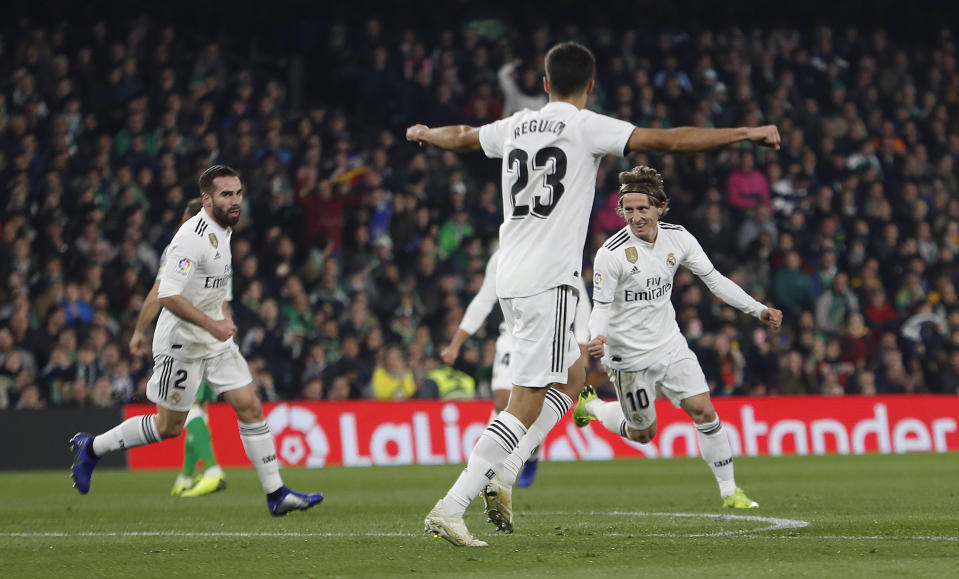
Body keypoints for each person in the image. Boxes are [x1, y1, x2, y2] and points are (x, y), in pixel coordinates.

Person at [407, 41, 780, 546]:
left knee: (574, 379)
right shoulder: (585, 126)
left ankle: (508, 470)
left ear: (543, 84)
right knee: (525, 401)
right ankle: (452, 505)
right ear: (591, 85)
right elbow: (667, 141)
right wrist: (744, 133)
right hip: (550, 280)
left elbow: (465, 136)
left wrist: (428, 133)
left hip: (510, 275)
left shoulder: (516, 124)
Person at [70, 165, 323, 516]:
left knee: (249, 405)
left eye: (238, 193)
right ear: (207, 199)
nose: (236, 201)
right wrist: (156, 331)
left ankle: (276, 494)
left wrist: (223, 315)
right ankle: (92, 448)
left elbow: (214, 286)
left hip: (214, 338)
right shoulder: (191, 238)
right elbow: (167, 295)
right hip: (182, 343)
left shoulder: (226, 229)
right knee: (169, 426)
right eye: (226, 195)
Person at [573, 165, 784, 509]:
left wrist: (757, 310)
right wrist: (596, 336)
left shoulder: (679, 237)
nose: (636, 217)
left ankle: (730, 492)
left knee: (703, 410)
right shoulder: (611, 254)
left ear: (660, 207)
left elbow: (714, 280)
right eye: (629, 209)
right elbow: (602, 306)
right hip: (628, 357)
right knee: (643, 433)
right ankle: (592, 406)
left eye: (643, 208)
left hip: (670, 344)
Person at [440, 248, 591, 488]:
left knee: (533, 402)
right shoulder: (501, 256)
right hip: (512, 335)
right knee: (502, 401)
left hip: (544, 336)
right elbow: (483, 299)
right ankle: (491, 465)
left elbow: (579, 298)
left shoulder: (554, 249)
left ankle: (530, 454)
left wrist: (581, 343)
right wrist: (456, 342)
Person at [129, 197, 226, 498]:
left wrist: (138, 330)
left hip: (189, 338)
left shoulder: (179, 247)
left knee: (190, 407)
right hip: (215, 333)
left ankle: (212, 471)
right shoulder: (218, 245)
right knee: (199, 407)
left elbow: (159, 293)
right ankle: (186, 477)